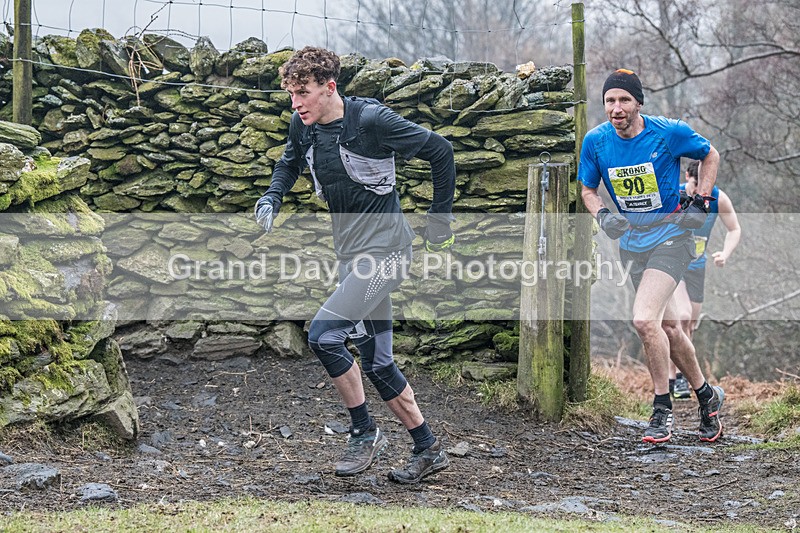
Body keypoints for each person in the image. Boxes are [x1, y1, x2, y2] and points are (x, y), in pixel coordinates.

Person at [254, 47, 455, 483]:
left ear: (330, 87)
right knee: (378, 362)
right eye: (291, 94)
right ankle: (428, 447)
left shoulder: (370, 122)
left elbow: (441, 151)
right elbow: (289, 161)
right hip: (352, 258)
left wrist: (440, 218)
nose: (296, 103)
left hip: (387, 255)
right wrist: (272, 196)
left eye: (303, 93)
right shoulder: (302, 125)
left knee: (324, 335)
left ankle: (364, 431)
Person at [579, 68, 726, 444]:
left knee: (644, 320)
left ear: (638, 103)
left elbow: (710, 154)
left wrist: (702, 199)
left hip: (672, 238)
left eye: (624, 100)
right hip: (632, 244)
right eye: (610, 101)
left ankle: (662, 410)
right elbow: (588, 190)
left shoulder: (669, 132)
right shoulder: (595, 142)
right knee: (670, 328)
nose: (616, 108)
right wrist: (603, 216)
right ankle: (707, 396)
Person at [669, 160, 741, 399]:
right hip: (673, 261)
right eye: (695, 184)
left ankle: (683, 377)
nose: (700, 190)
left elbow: (734, 229)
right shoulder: (674, 193)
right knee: (680, 317)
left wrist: (725, 253)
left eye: (704, 185)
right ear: (687, 177)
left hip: (697, 265)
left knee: (690, 324)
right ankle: (676, 378)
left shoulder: (718, 197)